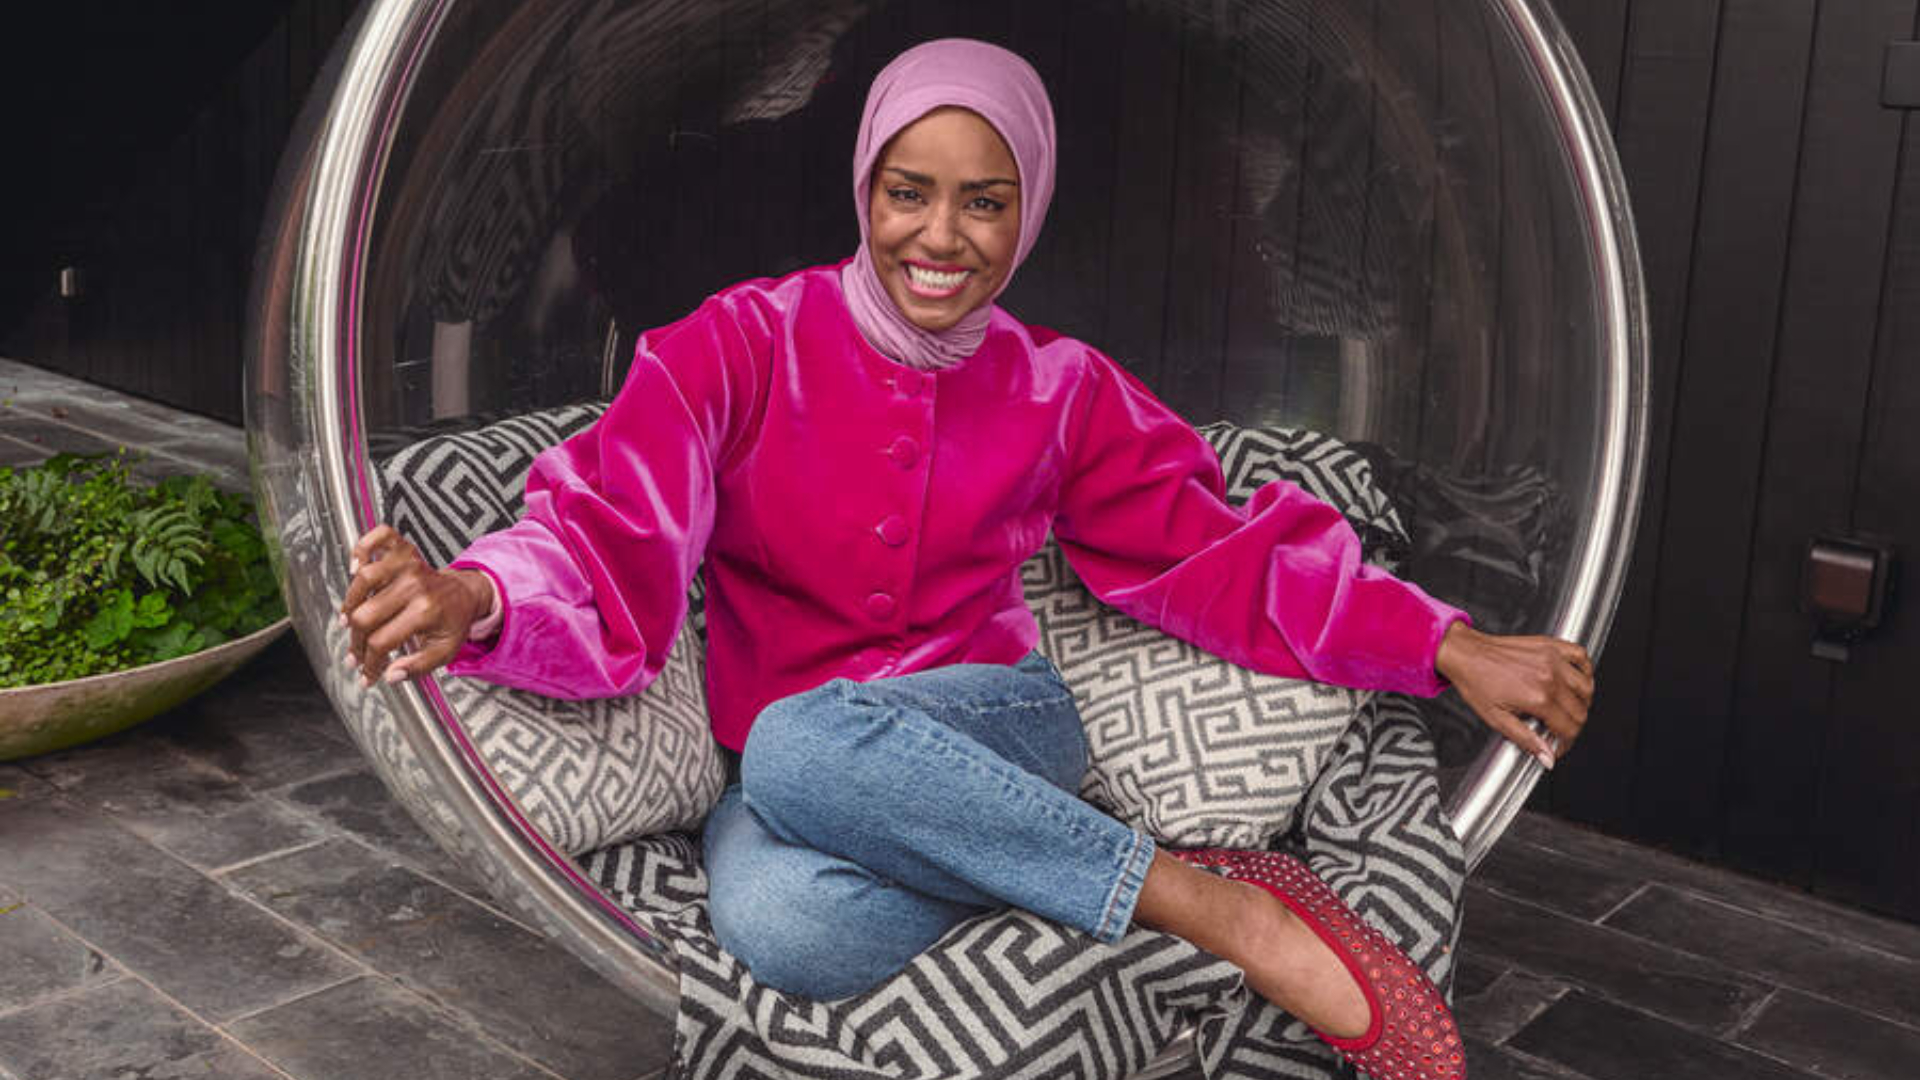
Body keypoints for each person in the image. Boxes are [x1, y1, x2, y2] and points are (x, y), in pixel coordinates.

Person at [339, 39, 1590, 1080]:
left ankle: (1237, 916)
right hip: (795, 770)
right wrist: (478, 595)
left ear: (1027, 208)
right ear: (863, 192)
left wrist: (1443, 642)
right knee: (782, 924)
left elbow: (1225, 552)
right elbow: (604, 524)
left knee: (791, 742)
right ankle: (1140, 876)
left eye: (983, 200)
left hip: (991, 720)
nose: (941, 236)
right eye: (908, 192)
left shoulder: (1063, 389)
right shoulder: (731, 348)